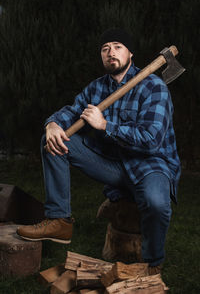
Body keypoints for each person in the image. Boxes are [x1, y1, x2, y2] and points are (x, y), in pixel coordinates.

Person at [17, 28, 181, 274]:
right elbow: (72, 111)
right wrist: (52, 124)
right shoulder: (96, 88)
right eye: (105, 48)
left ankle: (153, 263)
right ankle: (59, 220)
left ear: (130, 53)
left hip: (150, 164)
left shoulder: (153, 87)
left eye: (117, 46)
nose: (110, 52)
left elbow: (151, 140)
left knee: (156, 204)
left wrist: (105, 125)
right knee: (52, 141)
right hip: (112, 164)